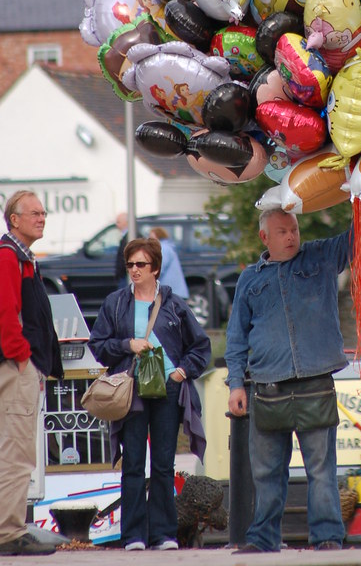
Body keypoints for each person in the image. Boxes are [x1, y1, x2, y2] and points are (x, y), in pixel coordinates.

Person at [226, 208, 354, 553]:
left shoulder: (321, 256)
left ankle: (327, 538)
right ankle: (263, 539)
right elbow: (236, 337)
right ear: (264, 237)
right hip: (267, 386)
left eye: (294, 229)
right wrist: (236, 384)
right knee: (266, 473)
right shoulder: (249, 278)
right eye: (282, 231)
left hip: (314, 381)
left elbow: (360, 237)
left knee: (322, 470)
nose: (291, 236)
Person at [88, 236, 211, 552]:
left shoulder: (173, 303)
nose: (134, 270)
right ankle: (133, 536)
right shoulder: (116, 303)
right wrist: (127, 345)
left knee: (163, 463)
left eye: (141, 264)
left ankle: (164, 534)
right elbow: (98, 345)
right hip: (133, 389)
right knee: (132, 462)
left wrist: (181, 371)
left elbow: (200, 346)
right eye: (130, 264)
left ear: (155, 268)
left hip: (168, 389)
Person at [0, 190, 63, 557]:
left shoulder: (18, 255)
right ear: (14, 219)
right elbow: (6, 314)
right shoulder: (9, 256)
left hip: (15, 364)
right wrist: (23, 357)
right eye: (35, 213)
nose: (42, 218)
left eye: (44, 213)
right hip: (14, 367)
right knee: (16, 452)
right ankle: (8, 532)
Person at [148, 227, 189, 299]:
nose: (149, 239)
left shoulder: (163, 249)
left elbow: (159, 268)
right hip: (175, 292)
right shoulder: (168, 247)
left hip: (171, 293)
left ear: (158, 236)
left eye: (151, 237)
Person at [114, 212, 129, 288]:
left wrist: (120, 272)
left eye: (118, 222)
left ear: (125, 222)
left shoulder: (130, 237)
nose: (116, 225)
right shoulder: (125, 236)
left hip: (126, 276)